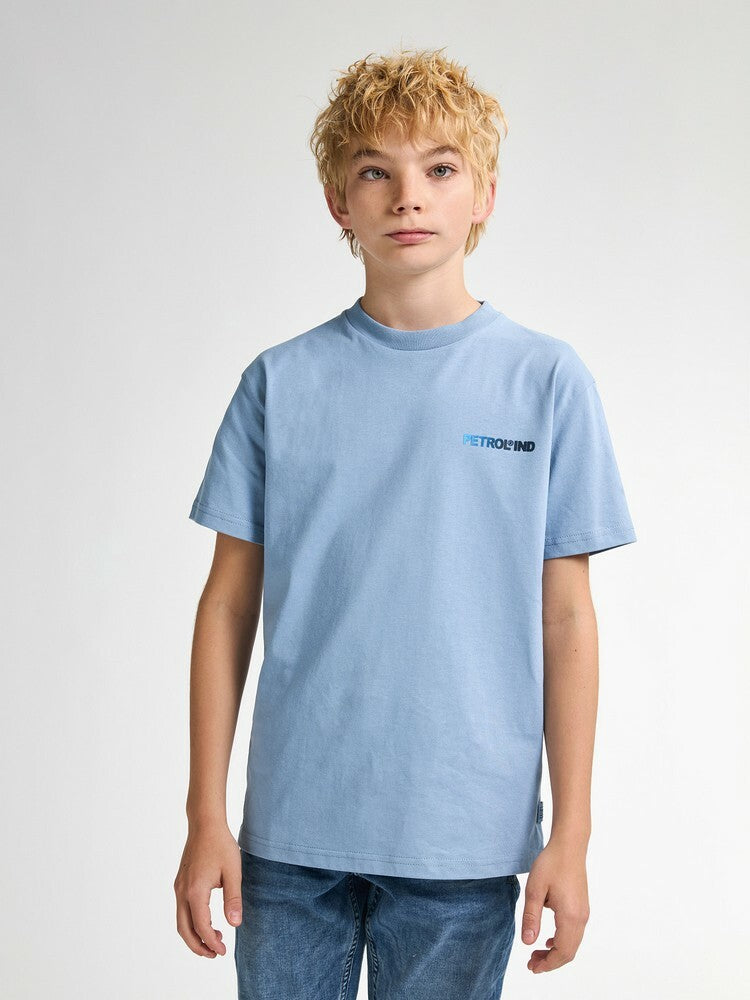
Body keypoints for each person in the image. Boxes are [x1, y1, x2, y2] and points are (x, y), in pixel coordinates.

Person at [174, 46, 637, 999]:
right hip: (290, 841)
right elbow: (225, 607)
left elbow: (567, 619)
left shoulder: (546, 381)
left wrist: (573, 835)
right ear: (338, 203)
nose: (409, 196)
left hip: (463, 840)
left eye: (441, 168)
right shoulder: (280, 383)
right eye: (375, 172)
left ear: (485, 195)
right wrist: (204, 817)